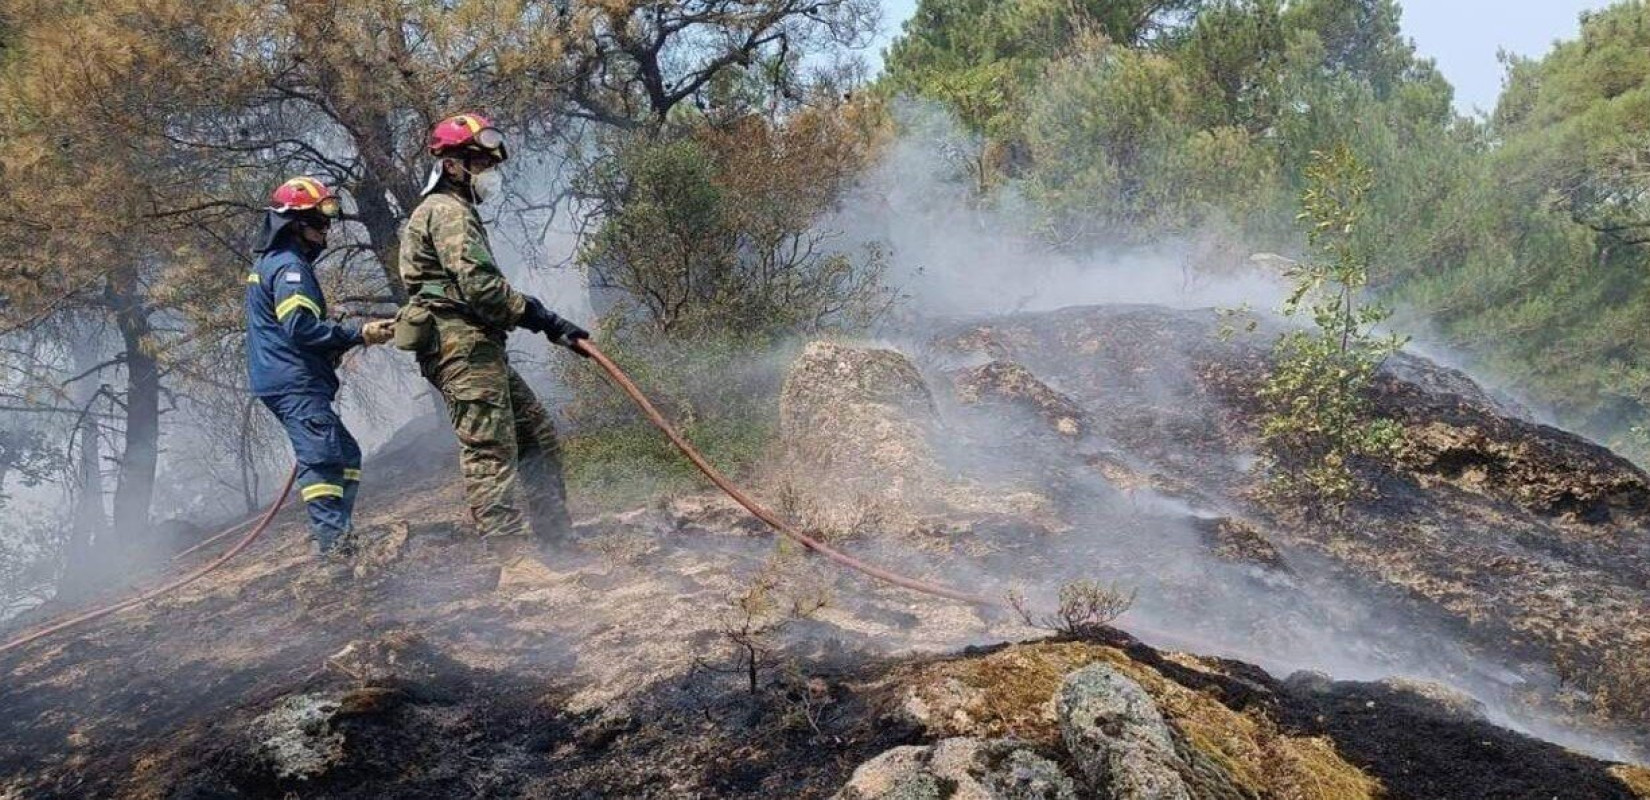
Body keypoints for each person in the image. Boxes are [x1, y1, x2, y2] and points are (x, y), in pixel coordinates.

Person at [396, 113, 588, 559]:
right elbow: (480, 287)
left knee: (535, 435)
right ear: (452, 166)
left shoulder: (451, 212)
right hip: (460, 347)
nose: (489, 175)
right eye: (480, 164)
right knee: (490, 449)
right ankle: (513, 562)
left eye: (490, 165)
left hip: (478, 347)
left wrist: (547, 321)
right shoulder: (446, 212)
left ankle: (557, 543)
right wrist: (540, 316)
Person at [246, 177, 394, 564]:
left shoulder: (270, 264)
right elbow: (299, 326)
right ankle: (335, 552)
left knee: (345, 455)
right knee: (324, 460)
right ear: (295, 224)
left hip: (287, 380)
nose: (326, 230)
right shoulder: (290, 268)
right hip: (295, 383)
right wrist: (357, 334)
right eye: (320, 222)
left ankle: (338, 538)